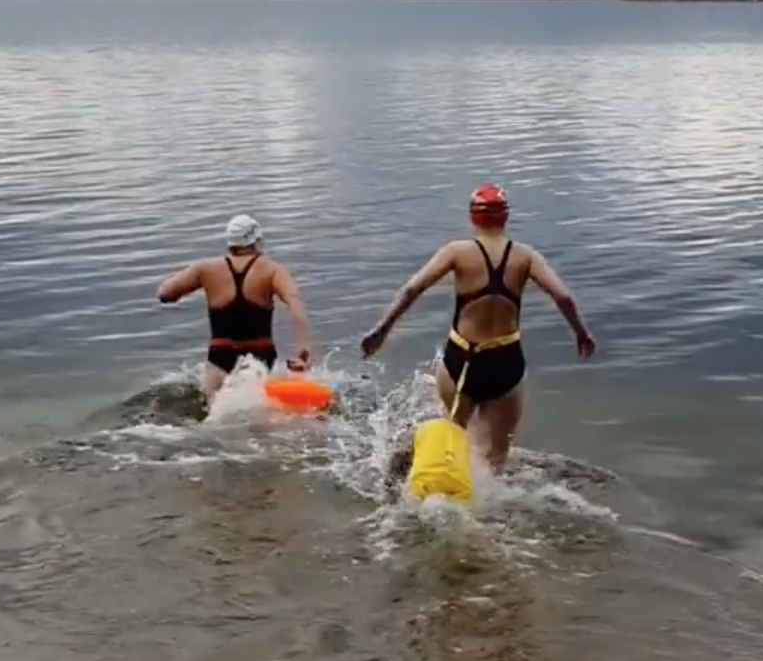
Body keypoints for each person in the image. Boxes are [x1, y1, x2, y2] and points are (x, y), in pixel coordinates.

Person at [362, 183, 595, 477]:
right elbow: (563, 297)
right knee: (496, 456)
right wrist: (581, 333)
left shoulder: (457, 251)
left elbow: (413, 288)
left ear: (473, 218)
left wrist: (382, 330)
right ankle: (484, 502)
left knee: (453, 436)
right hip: (506, 360)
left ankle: (439, 485)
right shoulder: (525, 256)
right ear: (506, 217)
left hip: (462, 357)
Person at [157, 214, 312, 404]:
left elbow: (165, 294)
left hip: (220, 356)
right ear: (256, 240)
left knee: (214, 413)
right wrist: (302, 349)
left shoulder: (206, 268)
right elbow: (293, 301)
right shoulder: (272, 270)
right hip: (260, 356)